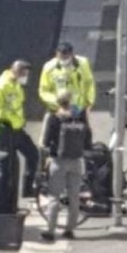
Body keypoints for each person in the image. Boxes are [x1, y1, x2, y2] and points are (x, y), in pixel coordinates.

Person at [0, 60, 40, 199]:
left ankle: (27, 188)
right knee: (7, 165)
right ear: (18, 71)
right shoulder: (2, 85)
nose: (25, 77)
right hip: (3, 129)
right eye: (24, 74)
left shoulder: (16, 85)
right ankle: (4, 194)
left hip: (16, 128)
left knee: (33, 154)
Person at [41, 91, 91, 240]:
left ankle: (50, 231)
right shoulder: (79, 115)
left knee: (54, 196)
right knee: (74, 197)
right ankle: (70, 230)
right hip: (76, 160)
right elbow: (88, 136)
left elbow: (46, 140)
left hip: (58, 161)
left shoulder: (54, 117)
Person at [38, 41, 96, 117]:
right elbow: (44, 91)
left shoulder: (83, 63)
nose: (63, 60)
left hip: (79, 109)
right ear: (56, 55)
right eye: (61, 58)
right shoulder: (49, 68)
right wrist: (57, 102)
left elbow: (89, 83)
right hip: (58, 110)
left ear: (72, 54)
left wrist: (89, 103)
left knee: (83, 128)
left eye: (66, 58)